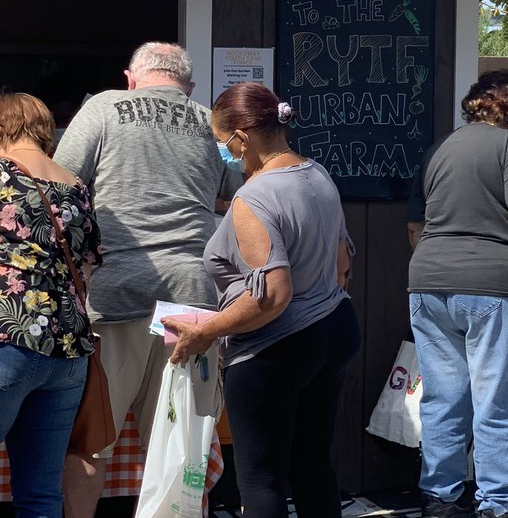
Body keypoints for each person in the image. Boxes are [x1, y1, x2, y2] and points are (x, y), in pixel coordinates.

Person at [55, 42, 239, 516]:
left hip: (115, 295)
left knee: (92, 441)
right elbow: (234, 193)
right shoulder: (208, 121)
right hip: (193, 301)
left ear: (130, 77)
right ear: (189, 86)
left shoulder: (104, 106)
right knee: (185, 443)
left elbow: (60, 185)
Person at [163, 82, 357, 518]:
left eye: (222, 144)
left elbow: (271, 295)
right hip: (335, 329)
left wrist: (205, 331)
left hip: (277, 347)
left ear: (242, 137)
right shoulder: (317, 173)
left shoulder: (254, 196)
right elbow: (343, 262)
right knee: (313, 465)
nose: (224, 155)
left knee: (261, 477)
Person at [408, 70, 508, 518]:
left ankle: (439, 499)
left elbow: (415, 226)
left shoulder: (438, 150)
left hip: (430, 282)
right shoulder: (507, 145)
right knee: (500, 399)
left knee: (443, 396)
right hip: (497, 286)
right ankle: (498, 504)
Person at [0, 93, 101, 518]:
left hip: (9, 335)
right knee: (41, 494)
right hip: (68, 351)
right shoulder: (74, 185)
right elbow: (90, 265)